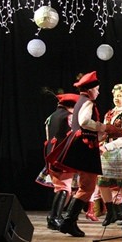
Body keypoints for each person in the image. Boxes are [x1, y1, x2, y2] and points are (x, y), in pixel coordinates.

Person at [57, 71, 122, 237]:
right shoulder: (87, 102)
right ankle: (68, 222)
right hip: (85, 148)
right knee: (87, 187)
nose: (98, 92)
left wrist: (103, 134)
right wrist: (104, 127)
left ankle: (69, 221)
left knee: (86, 187)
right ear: (90, 89)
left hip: (84, 146)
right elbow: (85, 122)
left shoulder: (81, 101)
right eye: (97, 89)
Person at [97, 84, 122, 227]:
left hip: (120, 152)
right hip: (106, 153)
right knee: (103, 184)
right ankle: (110, 213)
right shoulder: (110, 113)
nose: (116, 98)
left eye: (119, 95)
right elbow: (104, 132)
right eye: (115, 96)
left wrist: (107, 146)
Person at [41, 92, 79, 231]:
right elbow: (74, 136)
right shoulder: (69, 117)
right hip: (63, 155)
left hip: (51, 154)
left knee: (61, 187)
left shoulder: (51, 117)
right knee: (64, 188)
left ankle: (55, 216)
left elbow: (48, 137)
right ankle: (54, 218)